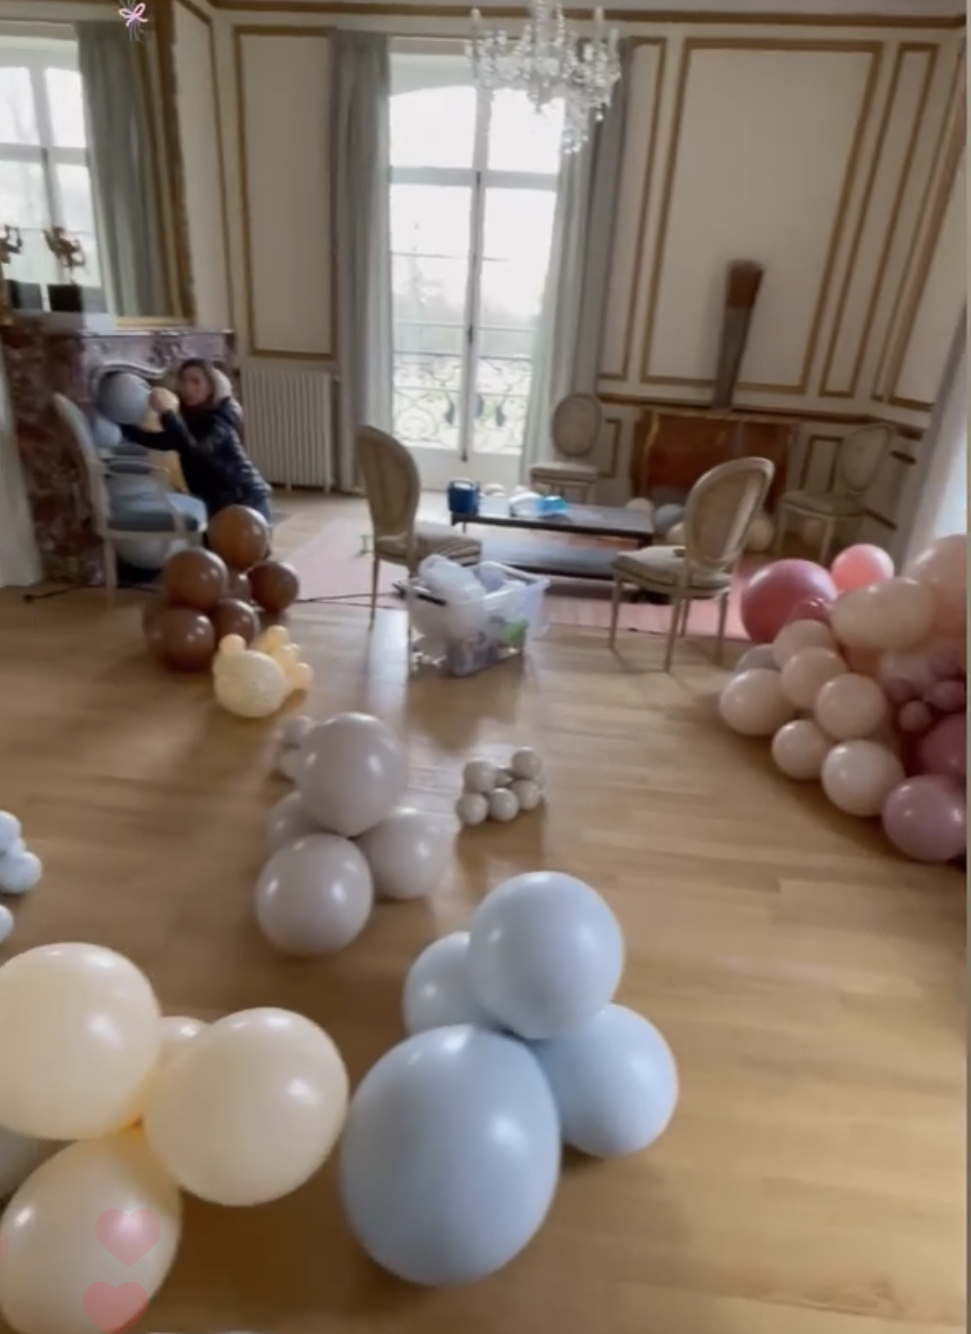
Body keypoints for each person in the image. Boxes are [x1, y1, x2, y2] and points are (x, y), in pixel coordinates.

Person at [120, 359, 272, 523]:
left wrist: (168, 415)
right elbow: (165, 441)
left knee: (231, 540)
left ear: (210, 387)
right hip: (218, 498)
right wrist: (123, 428)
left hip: (244, 498)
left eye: (196, 382)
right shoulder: (194, 417)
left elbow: (197, 454)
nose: (188, 388)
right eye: (183, 381)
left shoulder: (219, 420)